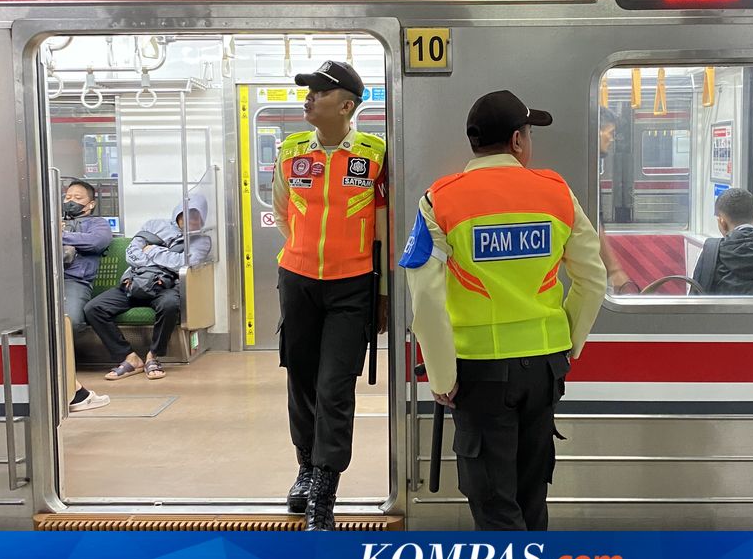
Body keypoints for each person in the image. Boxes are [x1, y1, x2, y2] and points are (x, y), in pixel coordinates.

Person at [401, 90, 607, 531]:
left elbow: (426, 297)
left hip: (478, 375)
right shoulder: (556, 193)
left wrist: (441, 375)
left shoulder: (439, 200)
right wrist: (566, 344)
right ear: (517, 140)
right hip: (544, 371)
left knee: (494, 502)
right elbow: (593, 280)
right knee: (531, 495)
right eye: (530, 133)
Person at [272, 61, 389, 530]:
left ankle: (324, 487)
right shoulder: (291, 150)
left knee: (335, 387)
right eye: (307, 92)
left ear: (347, 105)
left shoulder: (376, 155)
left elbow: (384, 225)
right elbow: (283, 211)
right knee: (300, 380)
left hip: (353, 284)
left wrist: (380, 292)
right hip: (298, 279)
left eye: (318, 93)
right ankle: (304, 465)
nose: (308, 99)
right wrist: (299, 254)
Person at [84, 194, 211, 381]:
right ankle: (128, 357)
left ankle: (154, 355)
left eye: (196, 217)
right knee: (93, 309)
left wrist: (153, 250)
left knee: (170, 305)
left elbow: (181, 263)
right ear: (178, 213)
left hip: (164, 286)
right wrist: (159, 257)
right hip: (134, 281)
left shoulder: (202, 241)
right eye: (187, 215)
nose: (191, 220)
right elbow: (132, 253)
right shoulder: (154, 225)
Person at [61, 179, 113, 412]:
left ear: (90, 204)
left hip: (75, 281)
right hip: (46, 279)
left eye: (78, 198)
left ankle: (67, 382)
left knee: (67, 322)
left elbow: (96, 242)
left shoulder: (96, 223)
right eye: (68, 197)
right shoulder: (53, 221)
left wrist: (59, 237)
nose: (71, 201)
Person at [594, 107, 638, 294]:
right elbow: (593, 223)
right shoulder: (587, 172)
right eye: (610, 133)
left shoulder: (590, 166)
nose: (611, 139)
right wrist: (615, 270)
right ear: (596, 131)